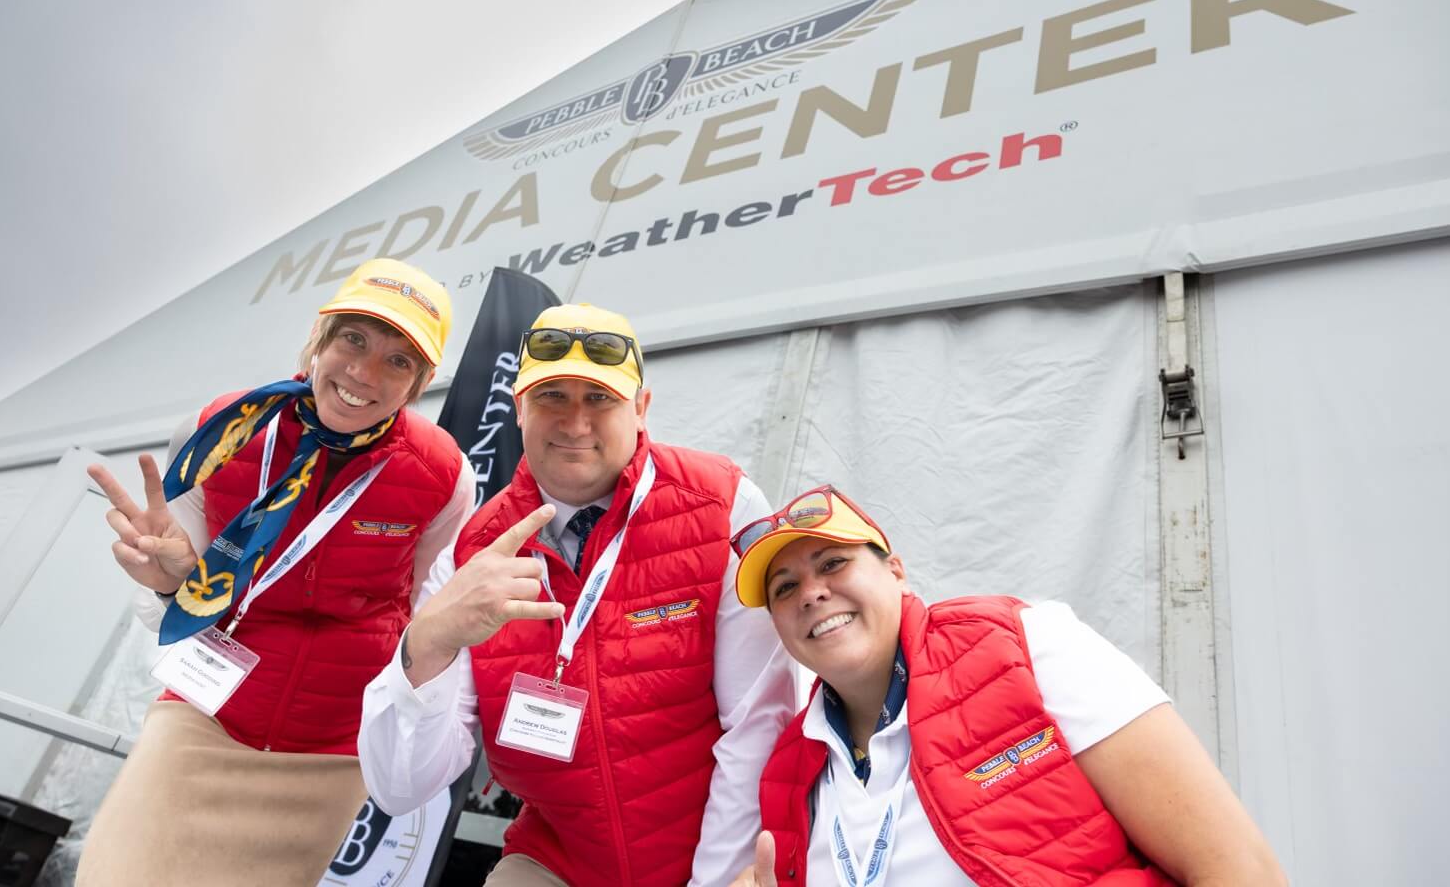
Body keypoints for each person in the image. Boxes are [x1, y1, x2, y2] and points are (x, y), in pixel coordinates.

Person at [358, 302, 797, 887]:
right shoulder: (475, 551)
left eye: (599, 399)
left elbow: (758, 722)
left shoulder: (721, 505)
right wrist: (429, 640)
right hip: (557, 858)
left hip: (708, 854)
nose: (574, 423)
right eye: (552, 397)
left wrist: (712, 880)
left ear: (641, 410)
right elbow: (399, 785)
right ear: (518, 408)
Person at [77, 258, 477, 886]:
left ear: (420, 383)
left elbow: (420, 616)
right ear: (318, 340)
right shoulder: (223, 427)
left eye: (399, 361)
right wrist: (169, 582)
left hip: (331, 748)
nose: (365, 373)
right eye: (355, 339)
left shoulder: (444, 474)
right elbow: (173, 596)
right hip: (207, 715)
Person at [725, 485, 1287, 887]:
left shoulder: (1023, 646)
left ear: (895, 570)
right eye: (784, 586)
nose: (811, 593)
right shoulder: (788, 766)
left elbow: (1239, 869)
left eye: (832, 563)